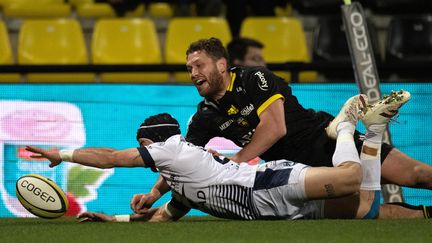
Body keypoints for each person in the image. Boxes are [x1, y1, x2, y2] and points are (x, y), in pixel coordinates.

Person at [158, 37, 432, 220]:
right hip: (301, 173)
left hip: (325, 139)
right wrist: (154, 193)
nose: (193, 73)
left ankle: (347, 126)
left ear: (221, 65)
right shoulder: (205, 116)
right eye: (189, 68)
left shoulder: (255, 78)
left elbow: (275, 128)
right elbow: (181, 157)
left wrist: (239, 160)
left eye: (198, 65)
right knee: (372, 213)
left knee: (417, 175)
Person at [26, 101, 408, 222]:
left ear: (150, 142)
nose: (141, 153)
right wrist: (114, 220)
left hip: (269, 184)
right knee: (364, 209)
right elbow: (162, 217)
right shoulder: (182, 184)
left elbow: (111, 158)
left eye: (141, 146)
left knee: (349, 181)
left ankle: (343, 127)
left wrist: (60, 153)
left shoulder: (171, 149)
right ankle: (373, 133)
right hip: (275, 210)